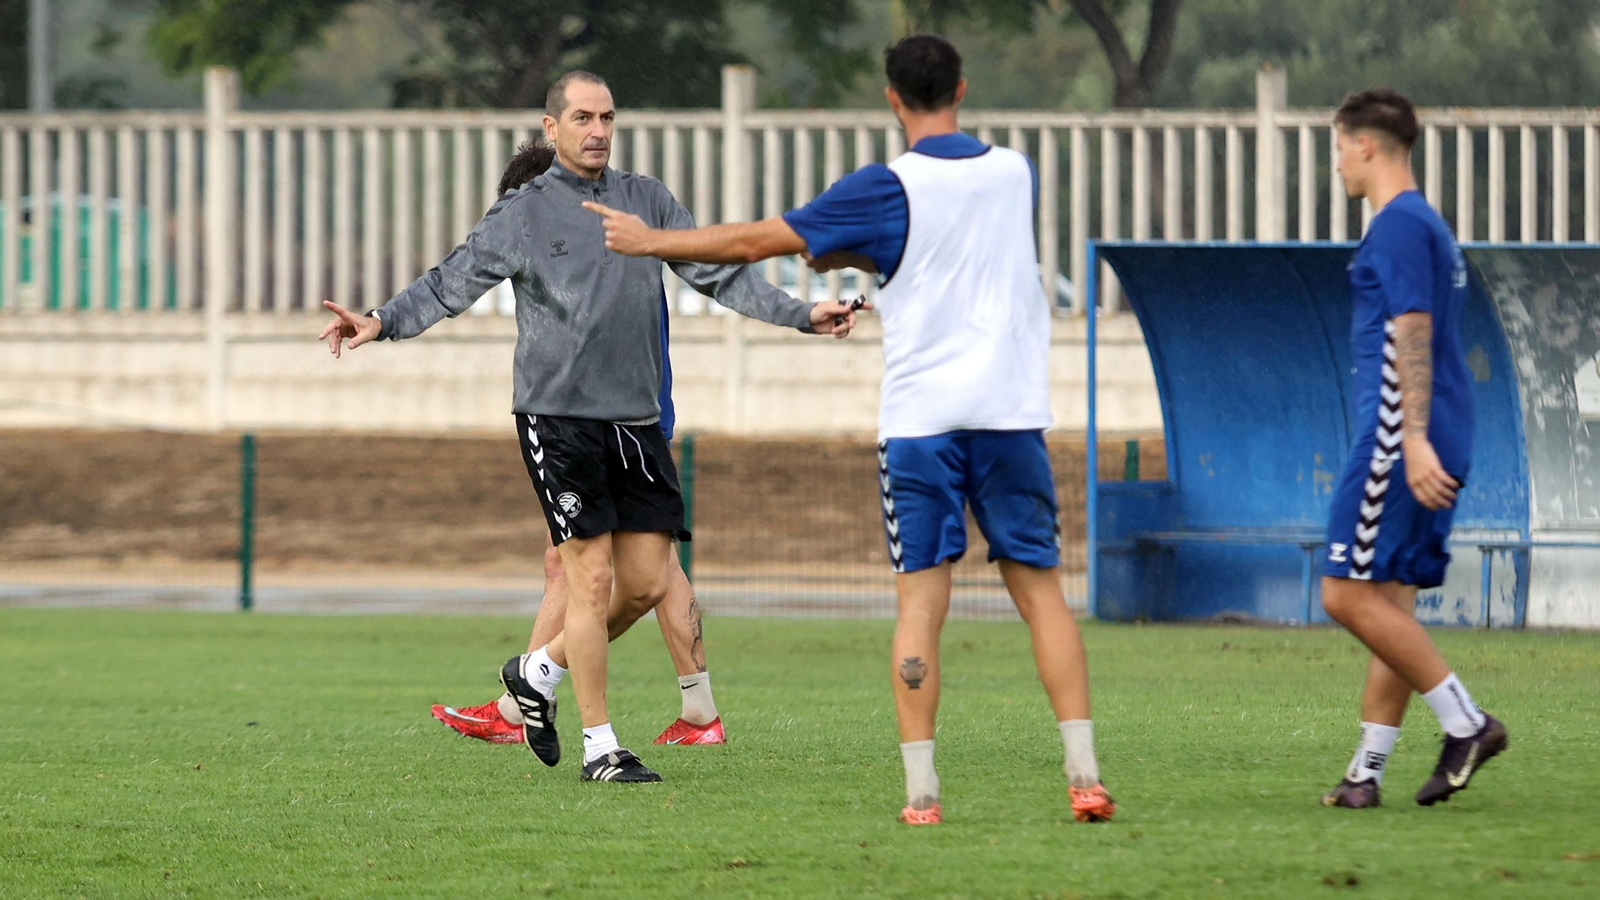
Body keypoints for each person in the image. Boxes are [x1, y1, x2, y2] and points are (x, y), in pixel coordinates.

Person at [585, 35, 1115, 824]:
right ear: (962, 89)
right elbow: (931, 253)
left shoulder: (887, 186)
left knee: (921, 608)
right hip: (1012, 416)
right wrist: (860, 258)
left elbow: (761, 240)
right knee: (1042, 595)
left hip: (923, 426)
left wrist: (651, 240)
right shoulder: (1015, 171)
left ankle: (923, 797)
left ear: (892, 99)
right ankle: (1085, 777)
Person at [320, 71, 861, 784]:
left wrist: (802, 313)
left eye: (607, 117)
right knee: (591, 578)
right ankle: (600, 747)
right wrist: (381, 320)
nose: (598, 130)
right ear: (552, 129)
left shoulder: (646, 199)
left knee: (645, 582)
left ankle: (536, 673)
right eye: (582, 117)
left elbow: (720, 274)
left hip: (637, 422)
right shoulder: (523, 212)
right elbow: (451, 281)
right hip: (559, 420)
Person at [426, 140, 725, 749]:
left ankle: (523, 699)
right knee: (652, 570)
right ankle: (699, 712)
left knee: (583, 567)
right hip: (634, 409)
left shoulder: (598, 240)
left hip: (616, 414)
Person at [1318, 89, 1506, 810]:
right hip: (1438, 429)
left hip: (1399, 436)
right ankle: (1364, 775)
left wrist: (1413, 440)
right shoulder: (1428, 223)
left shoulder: (1396, 224)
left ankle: (1467, 723)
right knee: (1390, 602)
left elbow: (1413, 329)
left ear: (1365, 144)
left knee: (1344, 593)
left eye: (1339, 147)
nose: (1337, 163)